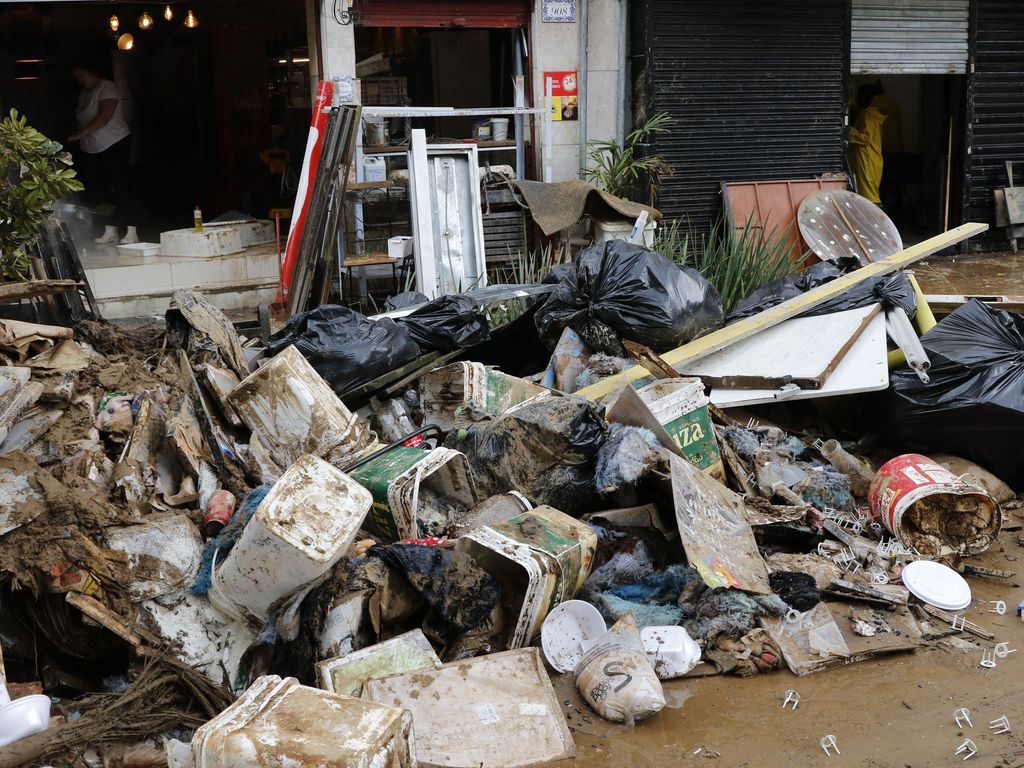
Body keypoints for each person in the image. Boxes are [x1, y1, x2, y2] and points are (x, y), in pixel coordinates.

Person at [69, 59, 138, 244]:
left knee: (120, 186)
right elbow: (81, 117)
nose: (79, 80)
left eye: (81, 75)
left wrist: (81, 133)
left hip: (114, 142)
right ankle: (110, 229)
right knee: (99, 188)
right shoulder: (84, 93)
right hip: (91, 147)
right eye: (77, 77)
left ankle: (131, 230)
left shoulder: (106, 87)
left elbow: (105, 116)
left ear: (92, 72)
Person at [848, 81, 887, 205]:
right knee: (868, 193)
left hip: (867, 160)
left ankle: (877, 219)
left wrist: (849, 130)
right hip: (871, 159)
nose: (857, 99)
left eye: (858, 97)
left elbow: (866, 138)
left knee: (869, 196)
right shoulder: (872, 114)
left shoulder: (867, 116)